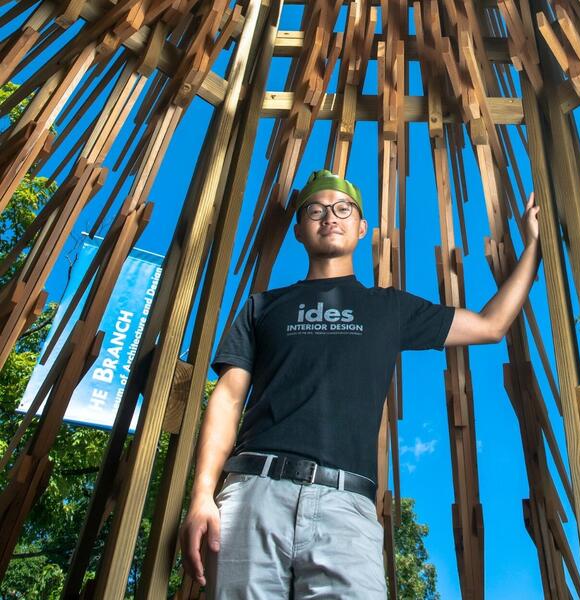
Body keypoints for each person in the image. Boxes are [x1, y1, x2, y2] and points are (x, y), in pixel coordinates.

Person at [179, 169, 540, 598]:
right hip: (254, 494)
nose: (329, 216)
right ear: (299, 229)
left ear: (361, 227)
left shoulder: (388, 308)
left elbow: (489, 325)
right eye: (315, 209)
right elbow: (228, 397)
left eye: (342, 208)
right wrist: (203, 494)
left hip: (345, 505)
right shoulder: (263, 306)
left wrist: (534, 246)